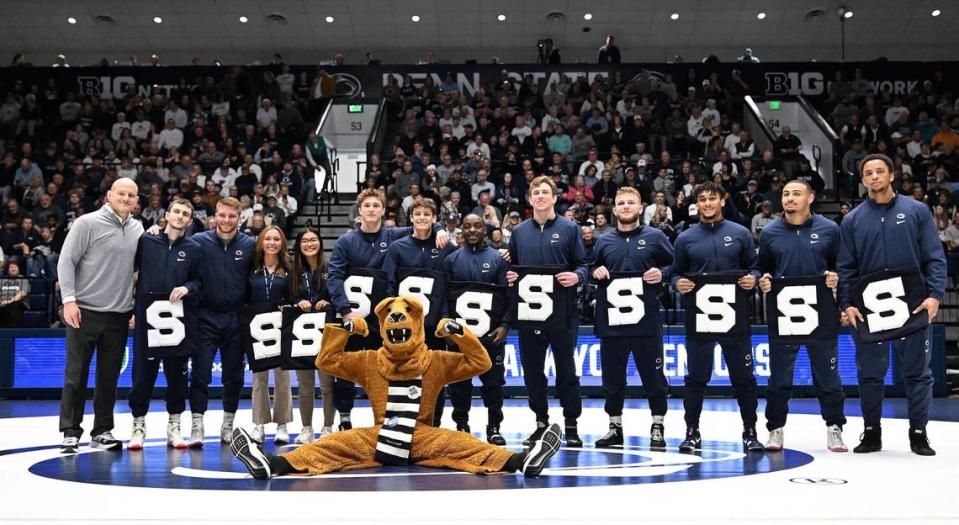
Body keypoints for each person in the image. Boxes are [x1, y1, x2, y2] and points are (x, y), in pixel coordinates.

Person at [837, 154, 945, 456]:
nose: (874, 177)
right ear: (862, 180)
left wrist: (935, 295)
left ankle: (919, 432)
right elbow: (846, 268)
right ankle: (871, 431)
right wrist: (847, 304)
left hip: (912, 303)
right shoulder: (853, 219)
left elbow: (934, 257)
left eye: (879, 171)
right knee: (870, 373)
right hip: (869, 307)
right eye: (868, 173)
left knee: (918, 373)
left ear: (892, 175)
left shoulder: (916, 211)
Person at [327, 189, 448, 430]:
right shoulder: (345, 241)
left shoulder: (393, 236)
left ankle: (384, 418)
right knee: (345, 366)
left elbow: (422, 225)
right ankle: (344, 417)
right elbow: (334, 276)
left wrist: (441, 227)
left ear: (383, 211)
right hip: (353, 314)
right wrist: (345, 310)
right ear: (359, 211)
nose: (371, 210)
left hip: (381, 320)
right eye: (367, 206)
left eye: (376, 206)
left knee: (384, 370)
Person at [669, 181, 764, 453]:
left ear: (722, 201)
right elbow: (675, 273)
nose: (708, 203)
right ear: (696, 204)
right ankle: (691, 432)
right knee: (696, 378)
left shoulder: (740, 233)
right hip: (699, 319)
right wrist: (677, 283)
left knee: (743, 378)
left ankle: (750, 431)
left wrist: (753, 279)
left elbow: (756, 268)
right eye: (702, 199)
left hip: (736, 318)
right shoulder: (686, 237)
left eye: (712, 198)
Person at [757, 181, 847, 452]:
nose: (790, 198)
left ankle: (835, 427)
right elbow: (762, 270)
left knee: (827, 375)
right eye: (785, 194)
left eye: (796, 193)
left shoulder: (830, 229)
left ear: (811, 197)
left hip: (821, 313)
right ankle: (775, 428)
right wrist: (764, 280)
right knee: (779, 377)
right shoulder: (770, 232)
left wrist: (837, 280)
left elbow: (842, 269)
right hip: (784, 314)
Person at [57, 178, 143, 453]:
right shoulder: (86, 223)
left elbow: (139, 271)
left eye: (131, 195)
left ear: (136, 200)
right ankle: (70, 432)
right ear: (109, 195)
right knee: (76, 376)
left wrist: (133, 306)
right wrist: (69, 301)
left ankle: (102, 431)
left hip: (118, 315)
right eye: (122, 193)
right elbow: (66, 261)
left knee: (109, 378)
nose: (126, 198)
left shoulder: (138, 229)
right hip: (84, 311)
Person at [506, 175, 588, 447]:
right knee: (532, 371)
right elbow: (513, 270)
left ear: (554, 198)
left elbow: (582, 265)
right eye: (535, 192)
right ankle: (540, 423)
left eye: (545, 192)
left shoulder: (569, 229)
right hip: (530, 313)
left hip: (562, 313)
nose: (540, 196)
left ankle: (571, 424)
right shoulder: (519, 232)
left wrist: (577, 276)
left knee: (566, 370)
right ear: (530, 199)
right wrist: (510, 277)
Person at [590, 187, 674, 449]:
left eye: (631, 203)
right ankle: (615, 428)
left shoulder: (655, 236)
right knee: (613, 380)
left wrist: (663, 274)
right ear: (614, 210)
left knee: (654, 378)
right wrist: (596, 270)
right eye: (621, 203)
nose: (626, 207)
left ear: (640, 208)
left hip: (646, 322)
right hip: (611, 322)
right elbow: (590, 268)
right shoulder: (603, 241)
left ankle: (657, 425)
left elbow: (677, 265)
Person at [127, 197, 201, 450]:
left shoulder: (193, 248)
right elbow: (129, 273)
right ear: (166, 214)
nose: (180, 217)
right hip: (147, 321)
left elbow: (199, 282)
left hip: (178, 323)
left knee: (177, 377)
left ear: (190, 221)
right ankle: (138, 425)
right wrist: (130, 307)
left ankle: (174, 426)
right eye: (176, 212)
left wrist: (187, 287)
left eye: (185, 214)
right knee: (142, 376)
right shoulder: (147, 241)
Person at [188, 197, 257, 447]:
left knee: (234, 376)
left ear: (240, 217)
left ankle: (228, 423)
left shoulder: (250, 245)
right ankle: (197, 423)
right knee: (200, 374)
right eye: (222, 215)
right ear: (215, 215)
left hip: (236, 318)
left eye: (232, 216)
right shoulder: (198, 241)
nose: (226, 220)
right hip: (205, 317)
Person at [443, 214, 511, 444]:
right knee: (460, 384)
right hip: (461, 337)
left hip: (490, 336)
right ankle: (461, 426)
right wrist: (447, 328)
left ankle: (494, 427)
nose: (472, 230)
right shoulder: (451, 260)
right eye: (468, 226)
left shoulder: (498, 259)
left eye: (477, 226)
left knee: (493, 383)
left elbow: (509, 297)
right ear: (462, 230)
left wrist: (504, 325)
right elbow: (442, 299)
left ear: (486, 230)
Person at [246, 226, 294, 444]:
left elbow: (295, 295)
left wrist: (289, 306)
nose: (272, 243)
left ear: (282, 242)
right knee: (259, 378)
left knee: (282, 378)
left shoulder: (289, 268)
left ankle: (282, 424)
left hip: (281, 327)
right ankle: (259, 424)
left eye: (276, 239)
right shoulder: (251, 267)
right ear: (261, 242)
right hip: (257, 327)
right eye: (268, 239)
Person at [290, 228, 336, 443]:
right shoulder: (293, 270)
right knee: (305, 385)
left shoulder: (330, 268)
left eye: (313, 240)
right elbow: (287, 297)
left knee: (327, 384)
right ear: (299, 245)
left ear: (320, 243)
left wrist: (330, 303)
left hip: (326, 333)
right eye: (305, 241)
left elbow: (339, 293)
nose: (309, 244)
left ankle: (328, 427)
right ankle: (306, 428)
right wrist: (297, 302)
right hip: (301, 334)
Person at [0, 261, 29, 327]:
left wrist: (9, 301)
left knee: (13, 306)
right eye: (11, 267)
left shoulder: (23, 279)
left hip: (17, 303)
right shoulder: (2, 280)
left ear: (19, 269)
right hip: (2, 302)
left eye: (15, 267)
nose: (13, 269)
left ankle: (11, 333)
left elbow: (22, 293)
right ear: (8, 270)